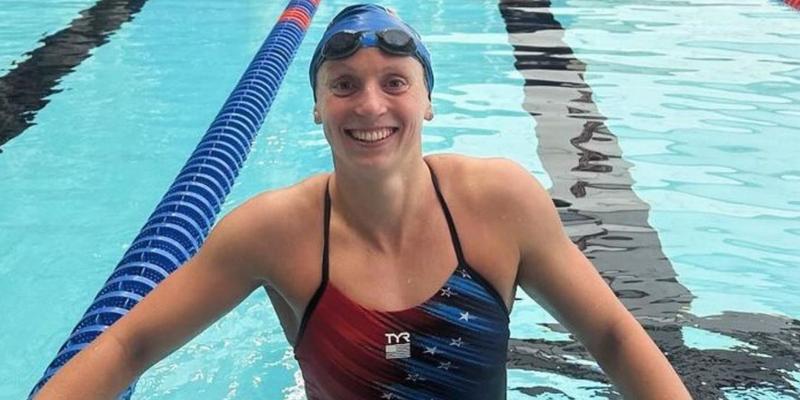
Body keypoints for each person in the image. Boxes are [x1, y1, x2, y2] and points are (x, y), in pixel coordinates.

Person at [35, 4, 691, 399]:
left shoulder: (499, 202)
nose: (371, 105)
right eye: (344, 85)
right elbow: (128, 345)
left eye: (395, 82)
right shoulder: (273, 232)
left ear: (428, 100)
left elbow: (611, 334)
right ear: (318, 109)